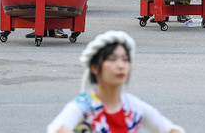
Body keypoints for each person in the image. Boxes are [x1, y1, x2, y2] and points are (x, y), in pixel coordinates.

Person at [46, 30, 184, 133]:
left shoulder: (132, 106)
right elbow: (57, 129)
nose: (120, 65)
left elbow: (170, 129)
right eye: (112, 59)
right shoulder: (84, 105)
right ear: (94, 67)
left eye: (125, 60)